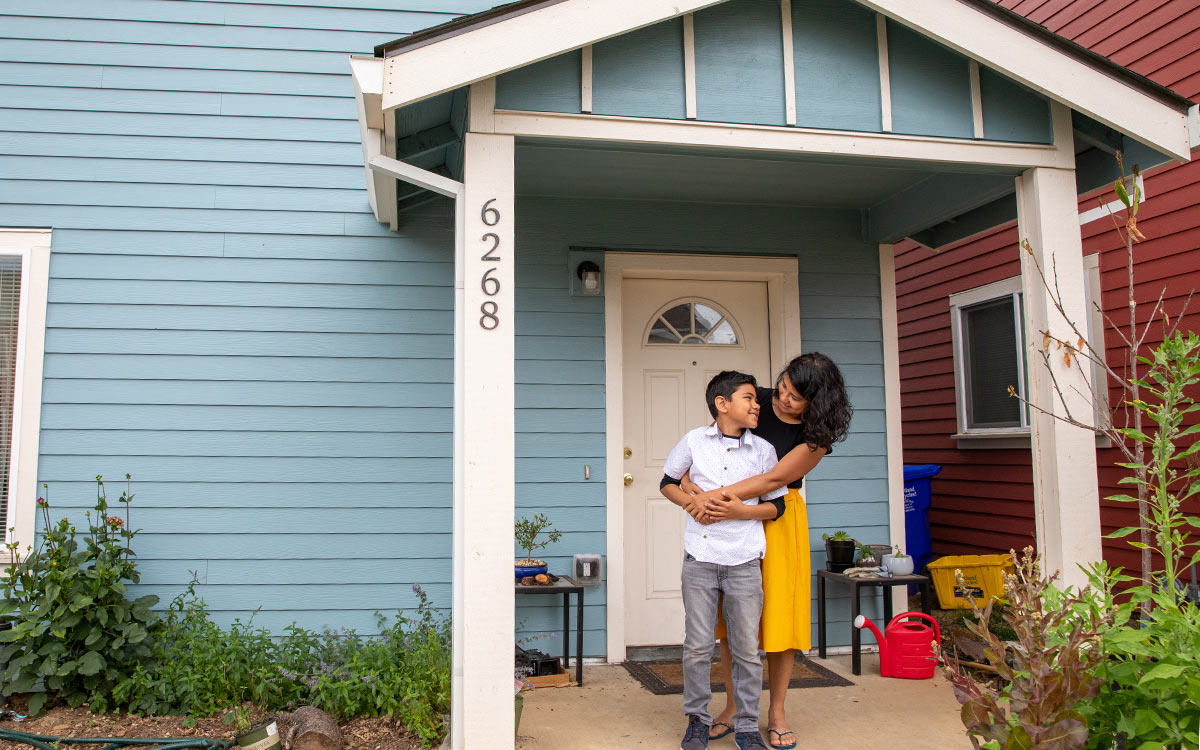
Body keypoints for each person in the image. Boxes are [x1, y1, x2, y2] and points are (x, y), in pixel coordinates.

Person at [682, 353, 851, 750]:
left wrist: (714, 497)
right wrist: (691, 483)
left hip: (777, 518)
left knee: (777, 619)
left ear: (819, 403)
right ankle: (731, 708)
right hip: (729, 516)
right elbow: (712, 445)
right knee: (732, 622)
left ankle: (776, 712)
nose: (783, 400)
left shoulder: (816, 434)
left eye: (796, 397)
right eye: (784, 388)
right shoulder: (754, 397)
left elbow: (773, 478)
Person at [660, 370, 786, 750]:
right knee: (697, 644)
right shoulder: (694, 441)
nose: (756, 404)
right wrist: (691, 501)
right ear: (722, 403)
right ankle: (697, 719)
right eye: (748, 397)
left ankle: (746, 725)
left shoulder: (763, 450)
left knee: (747, 648)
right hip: (699, 558)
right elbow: (666, 481)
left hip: (745, 561)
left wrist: (740, 513)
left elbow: (776, 507)